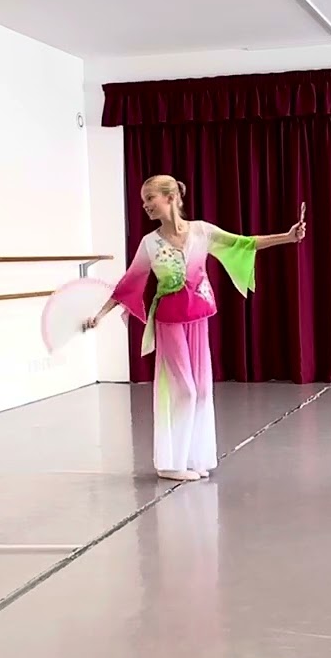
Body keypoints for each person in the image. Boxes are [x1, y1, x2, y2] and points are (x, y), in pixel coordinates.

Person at [87, 175, 306, 481]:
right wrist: (100, 314)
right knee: (185, 390)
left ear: (171, 197)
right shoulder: (149, 243)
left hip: (198, 319)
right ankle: (171, 463)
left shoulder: (202, 231)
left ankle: (193, 457)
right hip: (169, 322)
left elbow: (244, 243)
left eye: (150, 198)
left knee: (202, 390)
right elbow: (129, 284)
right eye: (143, 200)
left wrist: (287, 236)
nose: (145, 205)